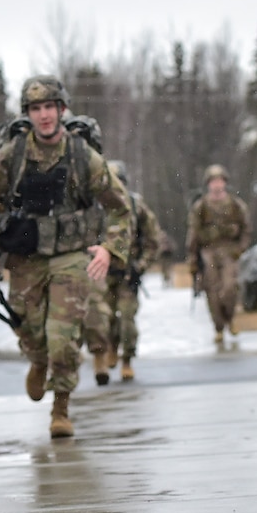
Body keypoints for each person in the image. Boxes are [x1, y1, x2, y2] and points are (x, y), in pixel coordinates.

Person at [0, 75, 132, 438]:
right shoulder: (13, 156)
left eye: (49, 107)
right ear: (28, 114)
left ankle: (61, 409)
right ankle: (37, 361)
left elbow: (120, 208)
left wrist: (109, 247)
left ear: (62, 109)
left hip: (71, 257)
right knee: (33, 334)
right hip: (26, 259)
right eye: (36, 109)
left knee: (63, 337)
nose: (44, 115)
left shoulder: (84, 156)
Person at [98, 160, 163, 380]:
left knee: (127, 319)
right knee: (104, 319)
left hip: (128, 274)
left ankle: (127, 359)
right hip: (103, 275)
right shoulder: (98, 208)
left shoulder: (136, 206)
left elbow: (154, 240)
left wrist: (141, 266)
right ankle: (110, 348)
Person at [186, 164, 251, 345]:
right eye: (213, 181)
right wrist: (192, 258)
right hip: (208, 252)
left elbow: (246, 229)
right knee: (212, 292)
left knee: (229, 288)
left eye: (219, 181)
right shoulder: (201, 207)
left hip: (230, 251)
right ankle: (219, 327)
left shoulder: (236, 205)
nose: (216, 185)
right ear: (208, 184)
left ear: (225, 183)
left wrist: (240, 249)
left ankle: (230, 318)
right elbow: (193, 233)